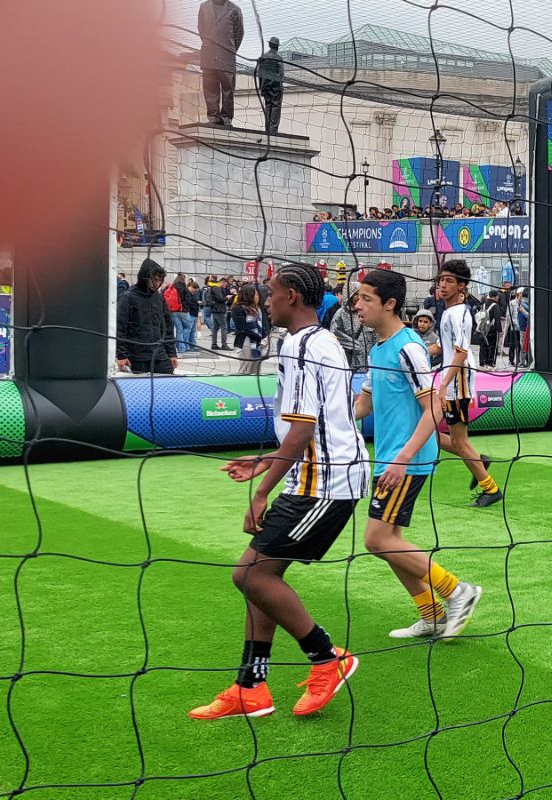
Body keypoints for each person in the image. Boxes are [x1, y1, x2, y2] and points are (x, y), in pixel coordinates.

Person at [189, 263, 365, 721]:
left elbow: (305, 429)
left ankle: (328, 658)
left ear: (290, 295)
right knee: (259, 577)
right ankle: (251, 686)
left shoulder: (302, 344)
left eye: (270, 294)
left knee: (251, 575)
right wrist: (266, 461)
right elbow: (312, 424)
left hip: (325, 481)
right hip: (314, 474)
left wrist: (262, 490)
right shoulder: (319, 341)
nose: (266, 302)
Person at [351, 270, 482, 639]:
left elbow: (435, 408)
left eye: (365, 299)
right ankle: (433, 614)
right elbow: (364, 404)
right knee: (389, 541)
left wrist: (403, 458)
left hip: (407, 459)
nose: (357, 306)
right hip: (391, 456)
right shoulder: (379, 349)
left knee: (377, 540)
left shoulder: (409, 346)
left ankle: (458, 591)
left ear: (389, 304)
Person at [436, 260, 503, 507]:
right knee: (433, 436)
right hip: (452, 379)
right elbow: (444, 347)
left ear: (462, 286)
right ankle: (478, 460)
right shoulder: (448, 311)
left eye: (449, 281)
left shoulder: (460, 313)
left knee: (457, 440)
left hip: (458, 382)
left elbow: (461, 352)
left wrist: (444, 385)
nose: (443, 285)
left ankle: (490, 488)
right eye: (441, 279)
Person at [115, 259, 178, 375]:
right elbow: (120, 328)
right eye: (154, 279)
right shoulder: (127, 297)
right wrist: (121, 355)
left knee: (169, 385)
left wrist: (172, 353)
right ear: (144, 277)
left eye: (160, 280)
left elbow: (167, 327)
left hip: (159, 355)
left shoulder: (159, 298)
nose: (157, 284)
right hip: (136, 356)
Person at [197, 0, 244, 127]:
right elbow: (201, 29)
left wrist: (230, 48)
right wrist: (210, 46)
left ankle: (226, 117)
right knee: (210, 87)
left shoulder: (235, 9)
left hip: (226, 56)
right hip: (209, 54)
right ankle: (213, 116)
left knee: (228, 88)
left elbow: (239, 34)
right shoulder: (204, 7)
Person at [331, 281, 376, 372]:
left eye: (361, 294)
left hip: (370, 362)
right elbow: (334, 336)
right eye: (356, 294)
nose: (359, 297)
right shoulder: (340, 314)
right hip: (350, 362)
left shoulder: (367, 312)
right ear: (349, 295)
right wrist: (354, 345)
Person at [231, 284, 264, 375]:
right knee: (246, 368)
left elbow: (261, 325)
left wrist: (263, 336)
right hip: (245, 340)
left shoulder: (257, 308)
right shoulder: (238, 308)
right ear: (249, 295)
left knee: (256, 368)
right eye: (256, 295)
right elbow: (242, 328)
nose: (258, 297)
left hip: (257, 341)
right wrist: (258, 337)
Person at [256, 36, 284, 134]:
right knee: (276, 106)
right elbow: (281, 74)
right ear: (277, 47)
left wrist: (261, 87)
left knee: (268, 106)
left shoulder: (263, 57)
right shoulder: (279, 58)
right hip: (276, 86)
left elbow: (260, 73)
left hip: (265, 86)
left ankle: (268, 128)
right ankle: (273, 129)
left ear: (269, 45)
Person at [166, 273, 192, 354]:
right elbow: (188, 300)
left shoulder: (171, 287)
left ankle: (179, 347)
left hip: (172, 311)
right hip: (183, 311)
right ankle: (183, 346)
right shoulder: (184, 288)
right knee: (188, 327)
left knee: (179, 329)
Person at [477, 290, 503, 368]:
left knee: (483, 346)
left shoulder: (483, 305)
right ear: (496, 297)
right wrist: (499, 330)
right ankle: (490, 363)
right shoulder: (495, 306)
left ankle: (482, 363)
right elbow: (497, 319)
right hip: (492, 329)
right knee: (492, 346)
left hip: (483, 329)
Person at [207, 277, 232, 351]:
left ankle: (214, 344)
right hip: (219, 311)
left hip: (215, 310)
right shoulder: (217, 288)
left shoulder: (214, 288)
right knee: (224, 328)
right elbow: (220, 299)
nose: (225, 286)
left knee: (215, 328)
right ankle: (224, 345)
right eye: (225, 284)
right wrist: (227, 298)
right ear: (222, 282)